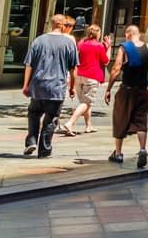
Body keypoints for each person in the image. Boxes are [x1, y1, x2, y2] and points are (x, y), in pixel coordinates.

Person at [22, 14, 79, 158]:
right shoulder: (69, 44)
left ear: (52, 24)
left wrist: (25, 84)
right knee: (51, 118)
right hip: (56, 86)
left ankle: (32, 140)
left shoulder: (38, 41)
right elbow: (73, 68)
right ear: (62, 25)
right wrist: (72, 86)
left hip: (38, 84)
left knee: (34, 113)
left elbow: (29, 65)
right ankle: (44, 149)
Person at [105, 24, 148, 168]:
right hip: (142, 90)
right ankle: (142, 149)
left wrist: (108, 88)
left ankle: (118, 153)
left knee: (120, 118)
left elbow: (116, 69)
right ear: (139, 34)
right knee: (141, 120)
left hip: (127, 89)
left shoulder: (124, 47)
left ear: (128, 34)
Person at [60, 25, 108, 136]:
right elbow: (105, 61)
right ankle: (70, 123)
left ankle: (88, 125)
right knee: (87, 102)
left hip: (79, 75)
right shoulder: (99, 46)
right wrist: (109, 48)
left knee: (86, 103)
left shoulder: (81, 44)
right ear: (97, 34)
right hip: (92, 76)